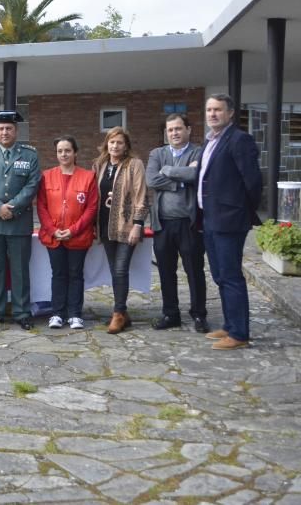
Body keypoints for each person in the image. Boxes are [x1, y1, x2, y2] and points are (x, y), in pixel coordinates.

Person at [199, 94, 262, 350]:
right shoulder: (211, 141)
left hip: (229, 221)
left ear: (230, 113)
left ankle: (239, 334)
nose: (212, 114)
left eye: (218, 110)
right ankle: (229, 324)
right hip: (210, 219)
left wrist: (242, 212)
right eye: (209, 110)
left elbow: (253, 182)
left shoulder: (239, 139)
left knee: (231, 276)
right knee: (220, 276)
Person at [0, 111, 41, 330]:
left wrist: (11, 208)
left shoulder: (30, 155)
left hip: (18, 221)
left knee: (20, 270)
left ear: (16, 131)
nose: (5, 132)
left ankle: (21, 312)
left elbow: (32, 185)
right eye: (1, 128)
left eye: (9, 128)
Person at [147, 114, 209, 333]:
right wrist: (181, 181)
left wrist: (170, 171)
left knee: (194, 271)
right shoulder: (157, 153)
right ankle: (170, 313)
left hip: (189, 223)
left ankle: (199, 315)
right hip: (163, 223)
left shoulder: (199, 152)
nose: (174, 133)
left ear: (188, 130)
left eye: (178, 128)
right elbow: (151, 180)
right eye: (170, 129)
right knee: (166, 271)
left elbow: (197, 176)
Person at [36, 135, 98, 330]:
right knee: (58, 274)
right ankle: (57, 313)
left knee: (76, 274)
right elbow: (41, 206)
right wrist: (53, 230)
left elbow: (91, 208)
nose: (63, 154)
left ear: (75, 153)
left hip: (78, 236)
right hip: (53, 236)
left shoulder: (88, 176)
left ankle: (75, 314)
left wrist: (73, 230)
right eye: (60, 151)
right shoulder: (46, 176)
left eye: (67, 150)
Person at [92, 127, 149, 334]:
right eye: (112, 142)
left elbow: (141, 196)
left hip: (126, 226)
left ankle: (118, 313)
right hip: (106, 226)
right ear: (106, 144)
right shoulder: (99, 165)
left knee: (120, 269)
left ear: (126, 146)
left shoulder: (134, 165)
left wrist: (138, 224)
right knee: (114, 270)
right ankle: (123, 312)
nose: (115, 146)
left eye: (119, 143)